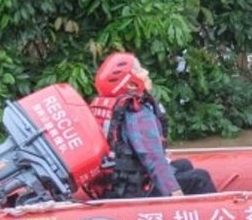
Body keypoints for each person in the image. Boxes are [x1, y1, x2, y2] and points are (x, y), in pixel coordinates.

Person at [89, 51, 216, 197]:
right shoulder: (137, 112)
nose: (146, 72)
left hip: (117, 184)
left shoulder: (108, 105)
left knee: (184, 165)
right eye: (139, 70)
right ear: (130, 83)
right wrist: (175, 193)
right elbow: (153, 158)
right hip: (134, 191)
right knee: (200, 178)